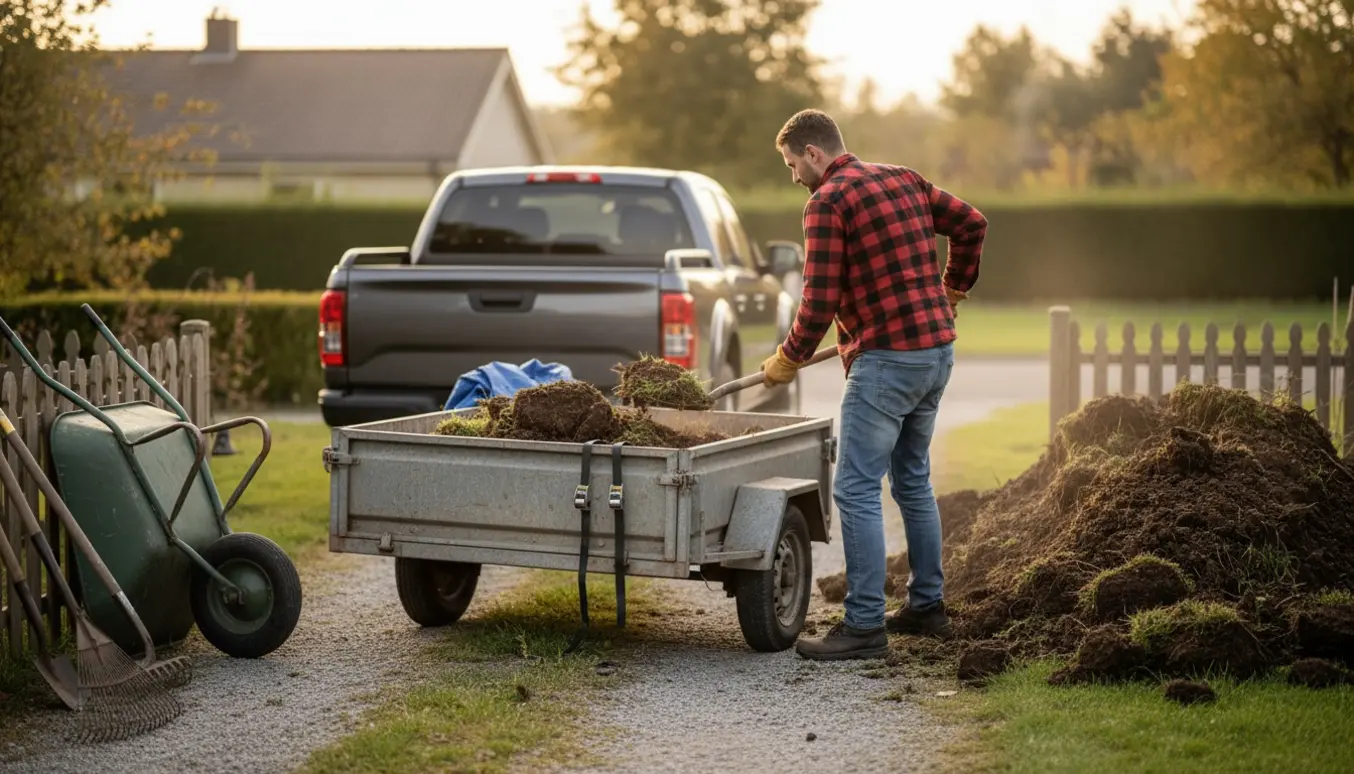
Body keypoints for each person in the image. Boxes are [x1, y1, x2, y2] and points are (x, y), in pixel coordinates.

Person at [761, 109, 988, 661]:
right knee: (911, 479)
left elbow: (819, 300)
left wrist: (787, 358)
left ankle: (863, 624)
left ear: (814, 153)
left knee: (856, 488)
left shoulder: (828, 202)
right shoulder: (903, 178)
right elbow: (973, 223)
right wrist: (952, 290)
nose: (794, 177)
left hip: (888, 360)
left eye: (793, 165)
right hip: (935, 352)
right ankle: (927, 607)